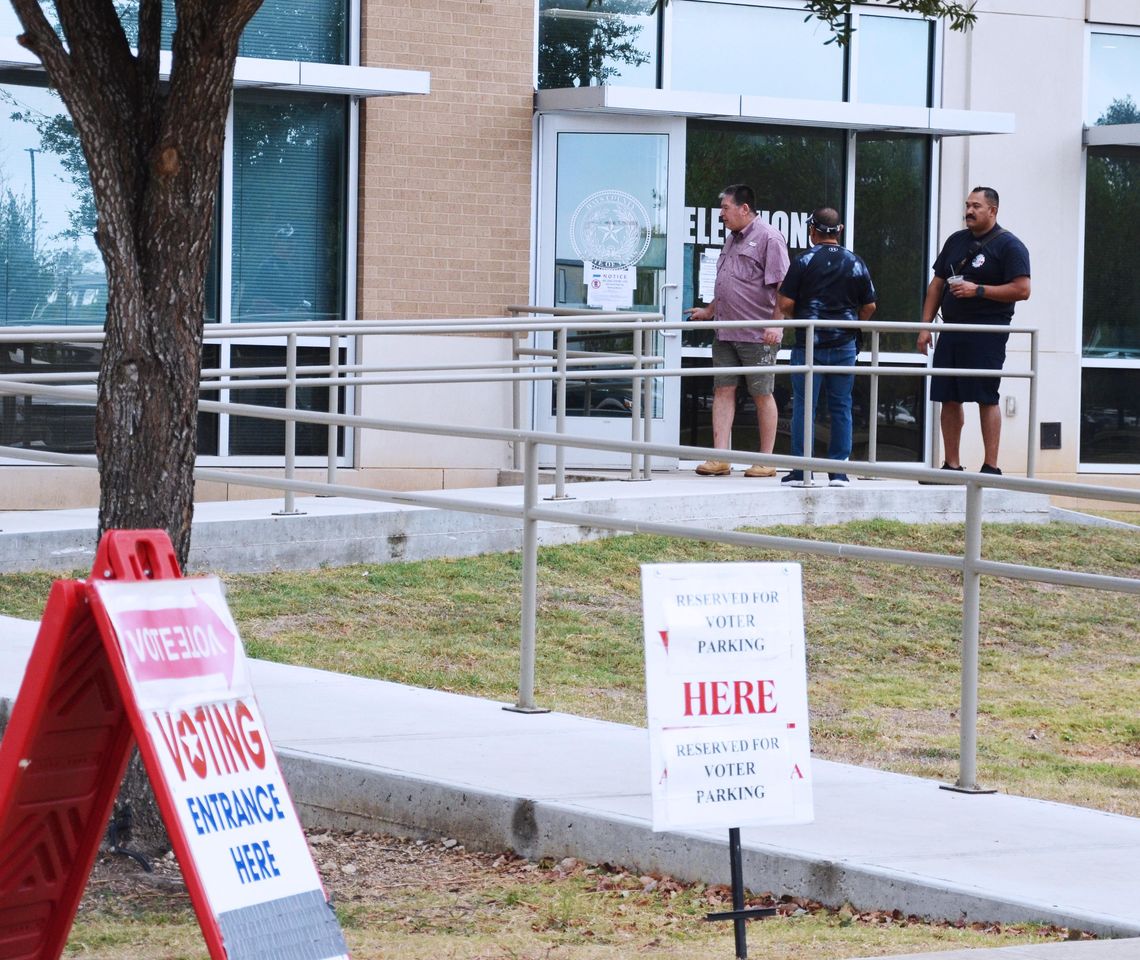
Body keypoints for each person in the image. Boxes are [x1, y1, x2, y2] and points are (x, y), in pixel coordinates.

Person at [918, 187, 1031, 476]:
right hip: (952, 331)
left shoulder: (1010, 246)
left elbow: (1022, 289)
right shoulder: (956, 241)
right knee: (949, 395)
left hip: (987, 333)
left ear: (992, 211)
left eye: (976, 206)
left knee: (986, 395)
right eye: (967, 205)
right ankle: (951, 465)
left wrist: (978, 290)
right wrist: (926, 326)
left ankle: (991, 467)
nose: (969, 211)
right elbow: (936, 284)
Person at [685, 184, 789, 477]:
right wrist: (709, 311)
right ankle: (720, 457)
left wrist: (775, 324)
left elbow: (784, 286)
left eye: (726, 208)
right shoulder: (732, 240)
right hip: (725, 332)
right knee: (722, 390)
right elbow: (730, 282)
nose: (722, 215)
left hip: (758, 335)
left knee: (761, 394)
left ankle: (766, 459)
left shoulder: (770, 238)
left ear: (745, 208)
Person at [776, 207, 877, 487]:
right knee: (841, 406)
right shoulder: (855, 262)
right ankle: (838, 472)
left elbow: (784, 304)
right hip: (844, 345)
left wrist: (803, 318)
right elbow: (869, 305)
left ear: (812, 230)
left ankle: (801, 470)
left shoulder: (804, 261)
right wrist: (852, 324)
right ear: (839, 230)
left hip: (809, 344)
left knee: (804, 406)